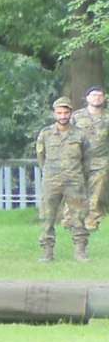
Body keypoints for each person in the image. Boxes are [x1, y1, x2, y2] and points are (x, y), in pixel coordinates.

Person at [33, 96, 91, 263]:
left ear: (71, 113)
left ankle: (80, 252)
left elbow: (87, 159)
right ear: (54, 114)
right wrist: (49, 172)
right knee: (47, 217)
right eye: (59, 112)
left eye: (66, 112)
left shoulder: (80, 134)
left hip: (75, 181)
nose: (63, 116)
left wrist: (79, 175)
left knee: (78, 217)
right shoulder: (45, 133)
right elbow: (40, 156)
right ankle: (47, 252)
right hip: (52, 181)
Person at [77, 88, 108, 245]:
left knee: (97, 193)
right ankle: (73, 220)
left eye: (100, 95)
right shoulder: (77, 116)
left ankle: (92, 221)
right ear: (87, 97)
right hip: (79, 161)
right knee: (77, 192)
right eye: (94, 95)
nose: (97, 98)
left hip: (101, 161)